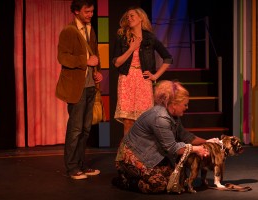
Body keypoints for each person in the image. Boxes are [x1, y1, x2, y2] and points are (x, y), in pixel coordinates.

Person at [112, 80, 220, 193]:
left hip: (150, 154)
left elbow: (185, 136)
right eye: (185, 104)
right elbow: (172, 148)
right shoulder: (161, 118)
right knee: (160, 185)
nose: (187, 107)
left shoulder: (173, 115)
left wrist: (209, 142)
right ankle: (126, 181)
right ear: (174, 104)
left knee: (176, 181)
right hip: (134, 155)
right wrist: (196, 149)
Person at [56, 0, 103, 180]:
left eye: (92, 11)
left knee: (85, 129)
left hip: (90, 85)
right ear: (76, 11)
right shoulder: (69, 31)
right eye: (87, 11)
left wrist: (97, 72)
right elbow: (63, 58)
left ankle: (82, 164)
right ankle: (72, 167)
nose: (90, 14)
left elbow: (95, 55)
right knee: (75, 129)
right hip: (77, 87)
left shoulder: (90, 29)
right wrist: (86, 61)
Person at [112, 7, 173, 135]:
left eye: (132, 16)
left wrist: (155, 75)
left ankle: (143, 152)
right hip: (126, 79)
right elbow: (117, 62)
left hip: (143, 80)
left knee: (144, 119)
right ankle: (127, 153)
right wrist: (131, 48)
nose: (129, 18)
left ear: (141, 18)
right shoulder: (122, 36)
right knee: (128, 120)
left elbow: (168, 58)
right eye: (127, 17)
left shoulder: (149, 38)